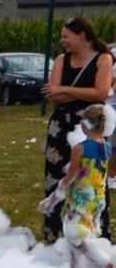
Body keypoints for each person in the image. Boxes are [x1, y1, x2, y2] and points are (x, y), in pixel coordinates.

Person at [41, 18, 114, 240]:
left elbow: (101, 93)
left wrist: (65, 89)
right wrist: (82, 92)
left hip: (91, 126)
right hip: (60, 125)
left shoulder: (104, 59)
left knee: (91, 179)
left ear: (81, 36)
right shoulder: (62, 60)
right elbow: (51, 94)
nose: (62, 41)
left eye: (66, 36)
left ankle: (94, 236)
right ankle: (55, 235)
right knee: (55, 177)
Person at [39, 104, 114, 268]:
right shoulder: (106, 147)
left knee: (73, 233)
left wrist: (52, 200)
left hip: (81, 197)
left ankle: (105, 263)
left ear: (85, 124)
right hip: (97, 197)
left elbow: (70, 177)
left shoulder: (80, 148)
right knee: (81, 232)